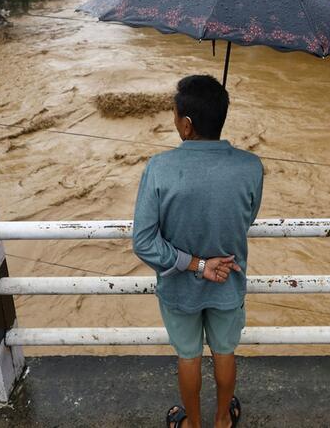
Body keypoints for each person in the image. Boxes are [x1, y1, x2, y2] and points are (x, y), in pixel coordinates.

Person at [132, 75, 263, 428]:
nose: (174, 122)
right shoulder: (251, 167)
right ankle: (222, 420)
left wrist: (195, 263)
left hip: (179, 287)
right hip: (228, 281)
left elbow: (143, 241)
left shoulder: (159, 168)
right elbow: (245, 218)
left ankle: (193, 424)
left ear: (187, 126)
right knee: (225, 352)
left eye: (175, 116)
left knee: (189, 357)